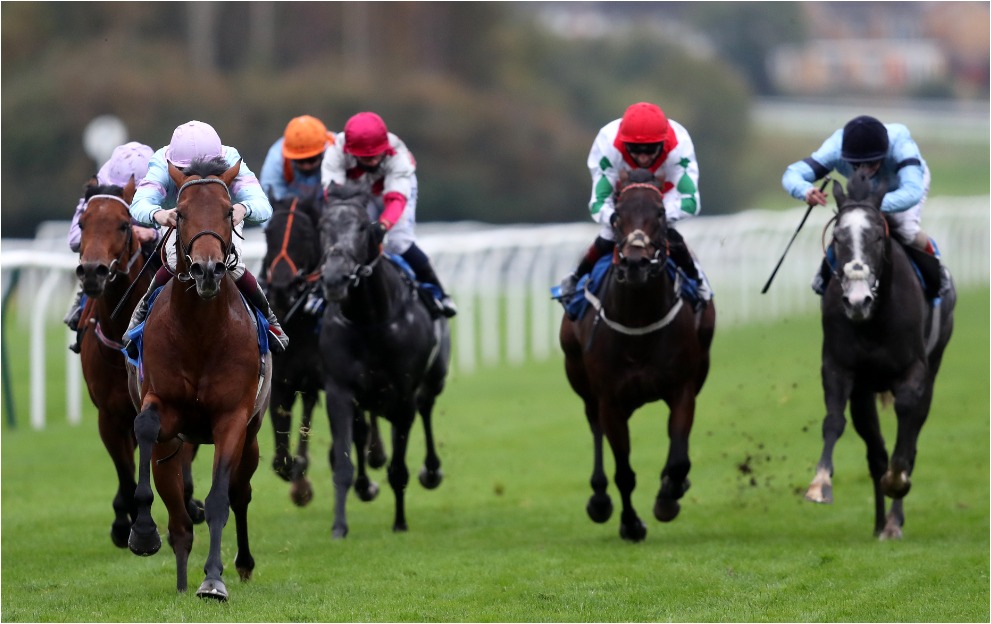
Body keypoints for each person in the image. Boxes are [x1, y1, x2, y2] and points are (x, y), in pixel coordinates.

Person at [122, 120, 289, 357]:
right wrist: (159, 214)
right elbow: (139, 204)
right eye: (186, 171)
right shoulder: (162, 161)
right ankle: (139, 318)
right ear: (174, 165)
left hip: (221, 222)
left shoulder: (230, 158)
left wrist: (243, 208)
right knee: (174, 261)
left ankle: (270, 321)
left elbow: (263, 206)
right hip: (181, 221)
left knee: (233, 265)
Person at [558, 101, 712, 309]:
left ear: (663, 143)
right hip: (624, 199)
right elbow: (598, 202)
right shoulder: (608, 143)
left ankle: (698, 281)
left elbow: (691, 201)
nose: (643, 158)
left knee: (668, 234)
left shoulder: (679, 145)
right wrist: (616, 218)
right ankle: (575, 277)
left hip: (663, 198)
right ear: (624, 144)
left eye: (650, 150)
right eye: (636, 150)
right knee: (608, 234)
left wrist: (656, 217)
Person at [782, 114, 951, 297]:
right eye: (856, 164)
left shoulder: (901, 146)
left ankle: (937, 269)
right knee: (848, 227)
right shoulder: (835, 148)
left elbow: (912, 192)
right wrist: (805, 191)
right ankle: (825, 272)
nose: (865, 169)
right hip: (863, 191)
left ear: (885, 153)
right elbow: (793, 173)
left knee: (906, 230)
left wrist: (871, 205)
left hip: (904, 185)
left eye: (872, 163)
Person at [321, 111, 457, 317]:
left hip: (390, 192)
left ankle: (438, 292)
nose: (372, 161)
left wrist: (383, 225)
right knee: (345, 236)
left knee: (397, 241)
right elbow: (334, 196)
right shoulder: (335, 152)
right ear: (350, 151)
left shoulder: (399, 156)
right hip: (356, 193)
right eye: (365, 157)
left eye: (376, 155)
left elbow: (396, 199)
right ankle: (322, 289)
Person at [64, 141, 157, 353]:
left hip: (151, 232)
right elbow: (74, 240)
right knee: (96, 258)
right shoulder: (101, 182)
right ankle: (82, 309)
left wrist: (152, 233)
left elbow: (178, 227)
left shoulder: (162, 181)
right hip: (116, 247)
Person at [260, 114, 334, 203]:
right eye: (300, 161)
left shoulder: (340, 152)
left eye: (311, 159)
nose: (306, 166)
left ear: (323, 150)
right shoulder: (276, 161)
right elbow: (271, 202)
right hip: (293, 207)